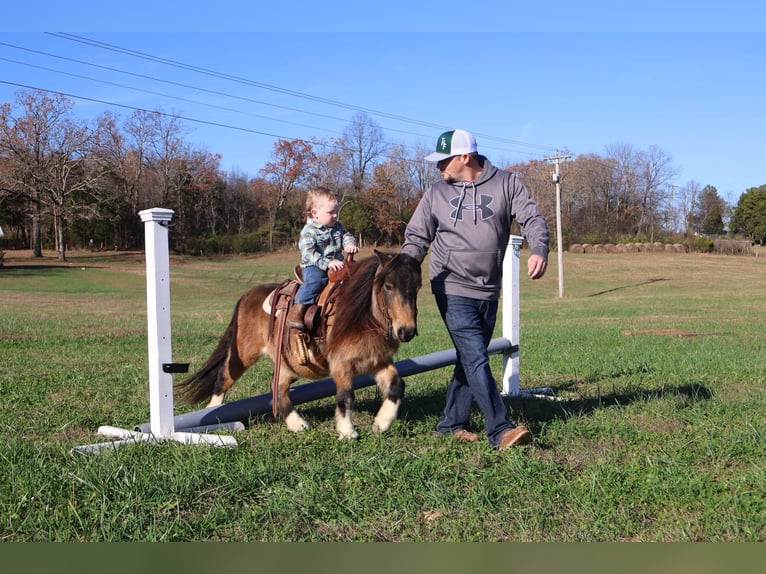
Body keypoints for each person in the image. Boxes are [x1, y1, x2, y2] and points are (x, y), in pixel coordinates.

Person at [401, 129, 549, 450]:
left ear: (465, 157)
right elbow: (416, 237)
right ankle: (500, 429)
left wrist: (539, 248)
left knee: (471, 358)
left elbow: (532, 218)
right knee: (476, 356)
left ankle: (451, 422)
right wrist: (403, 268)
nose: (438, 167)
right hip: (449, 284)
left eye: (444, 160)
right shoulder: (436, 193)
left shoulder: (507, 184)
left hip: (487, 288)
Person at [287, 186, 359, 331]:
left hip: (338, 264)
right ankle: (298, 309)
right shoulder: (309, 231)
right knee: (315, 281)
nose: (335, 216)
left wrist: (350, 243)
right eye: (331, 212)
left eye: (336, 212)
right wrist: (328, 263)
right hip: (315, 265)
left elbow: (346, 235)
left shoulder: (337, 227)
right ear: (315, 213)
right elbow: (309, 253)